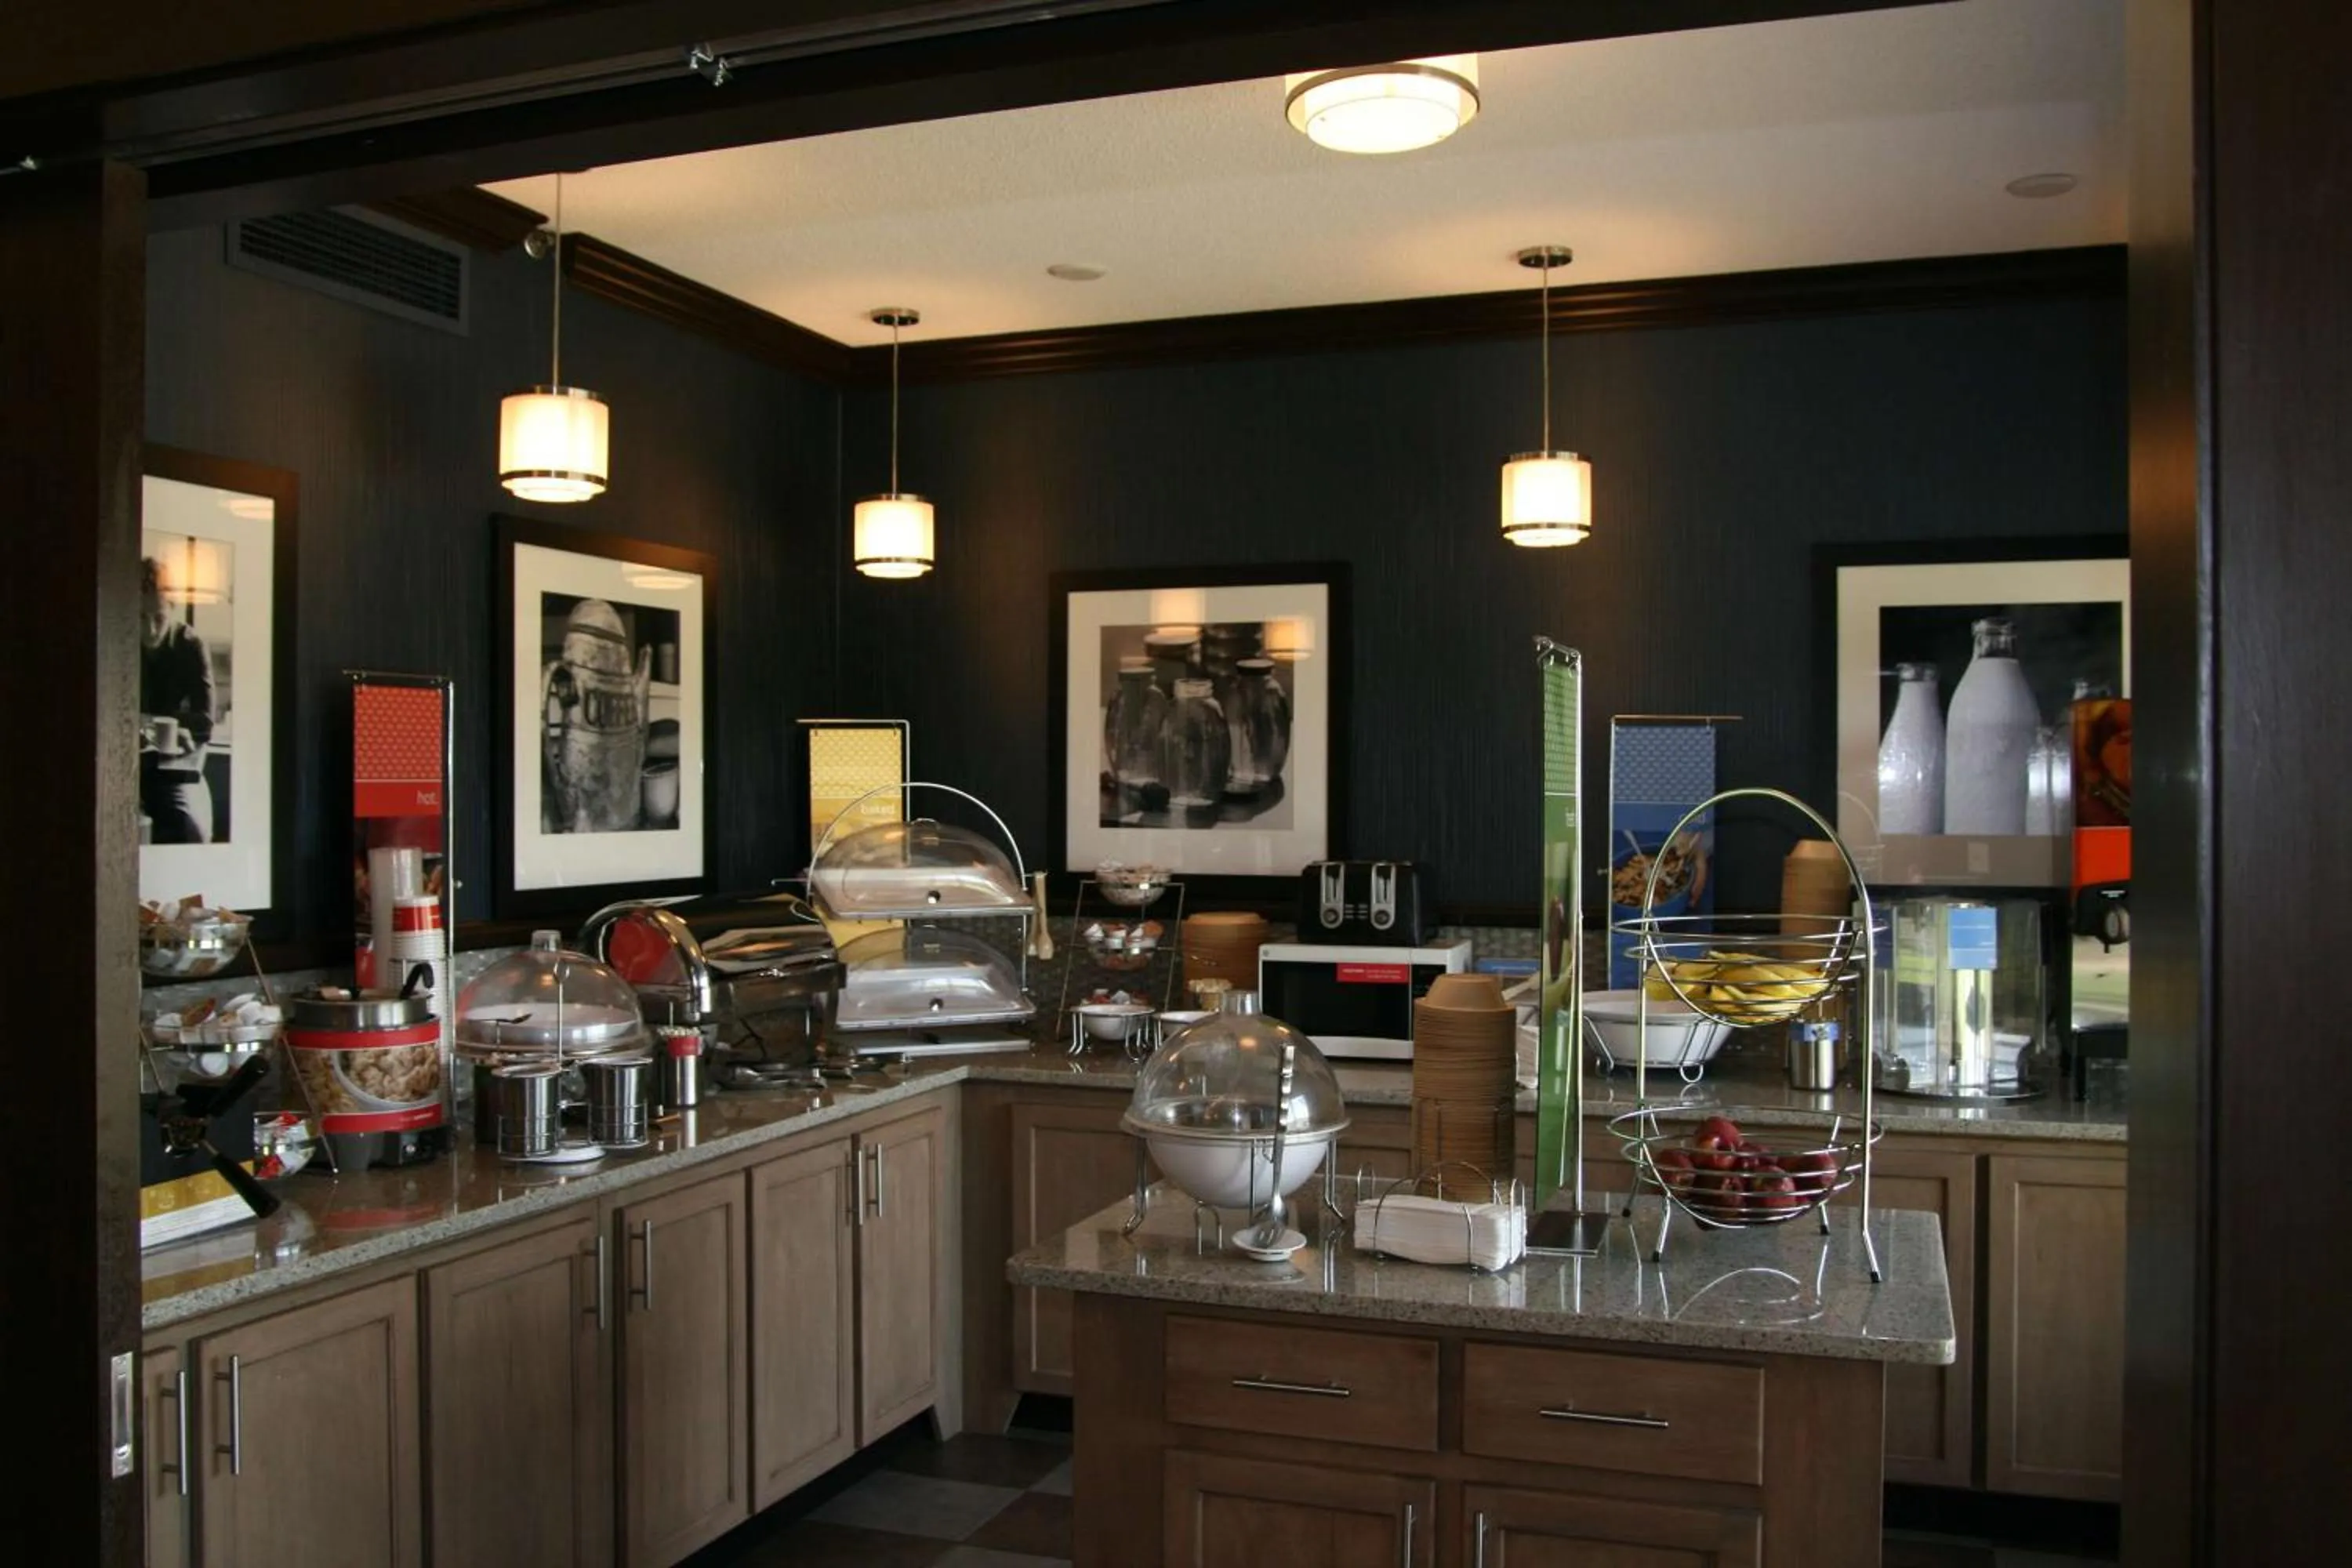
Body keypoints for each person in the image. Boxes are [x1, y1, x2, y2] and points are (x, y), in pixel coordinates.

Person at [140, 556, 217, 844]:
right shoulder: (116, 640)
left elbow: (205, 723)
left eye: (159, 618)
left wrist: (151, 722)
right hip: (121, 763)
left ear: (173, 610)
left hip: (171, 766)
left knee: (192, 831)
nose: (150, 630)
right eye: (140, 617)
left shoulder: (190, 644)